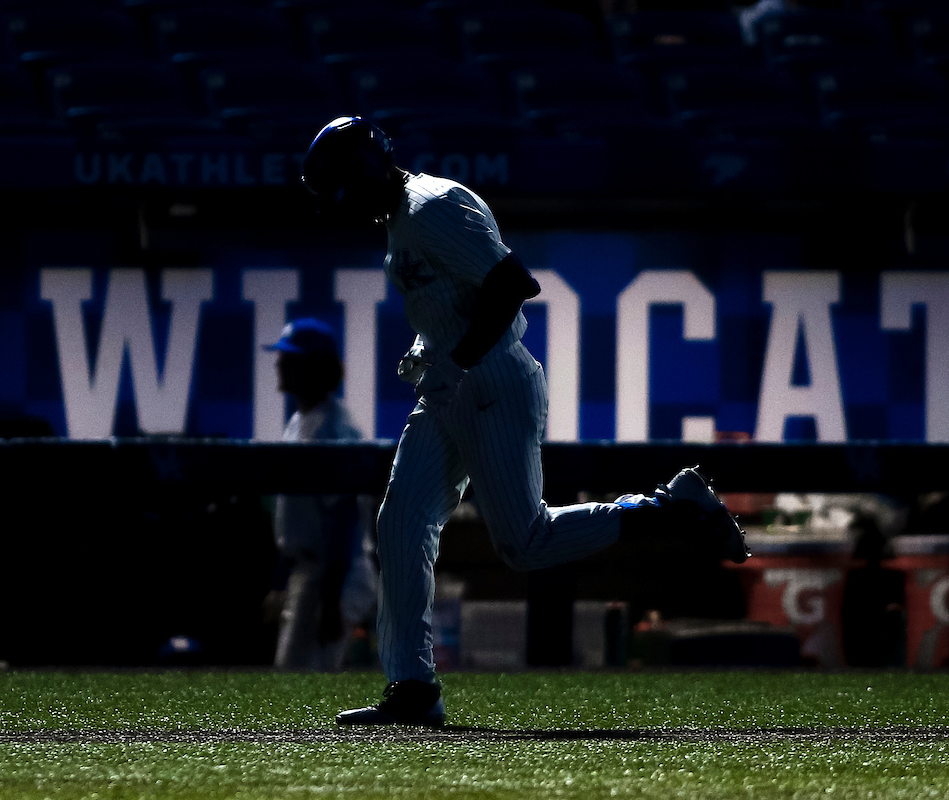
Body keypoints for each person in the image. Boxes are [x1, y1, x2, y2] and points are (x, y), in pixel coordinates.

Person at [300, 116, 749, 727]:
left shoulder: (431, 207)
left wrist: (457, 359)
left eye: (345, 189)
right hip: (451, 387)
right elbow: (457, 297)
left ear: (369, 170)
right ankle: (412, 688)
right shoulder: (403, 215)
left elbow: (513, 284)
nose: (344, 206)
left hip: (491, 384)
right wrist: (434, 350)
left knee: (525, 542)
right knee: (401, 523)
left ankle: (670, 508)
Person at [263, 317, 378, 671]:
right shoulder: (299, 422)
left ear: (314, 367)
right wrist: (280, 581)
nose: (280, 364)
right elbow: (295, 519)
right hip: (310, 570)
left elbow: (343, 521)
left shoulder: (336, 430)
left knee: (302, 681)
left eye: (291, 358)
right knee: (295, 679)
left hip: (335, 575)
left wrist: (331, 601)